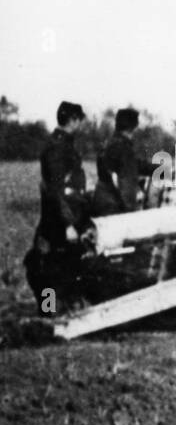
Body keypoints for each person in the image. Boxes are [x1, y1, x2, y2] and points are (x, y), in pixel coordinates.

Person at [25, 100, 88, 308]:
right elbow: (55, 189)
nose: (80, 126)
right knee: (47, 265)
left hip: (64, 214)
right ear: (73, 120)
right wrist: (68, 223)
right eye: (79, 121)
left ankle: (59, 307)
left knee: (64, 264)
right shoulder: (58, 148)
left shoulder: (62, 144)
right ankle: (48, 309)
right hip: (58, 218)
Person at [90, 108, 145, 217]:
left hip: (100, 201)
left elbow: (137, 164)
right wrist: (131, 212)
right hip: (114, 207)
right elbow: (127, 183)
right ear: (132, 128)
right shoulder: (125, 149)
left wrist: (162, 170)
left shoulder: (108, 144)